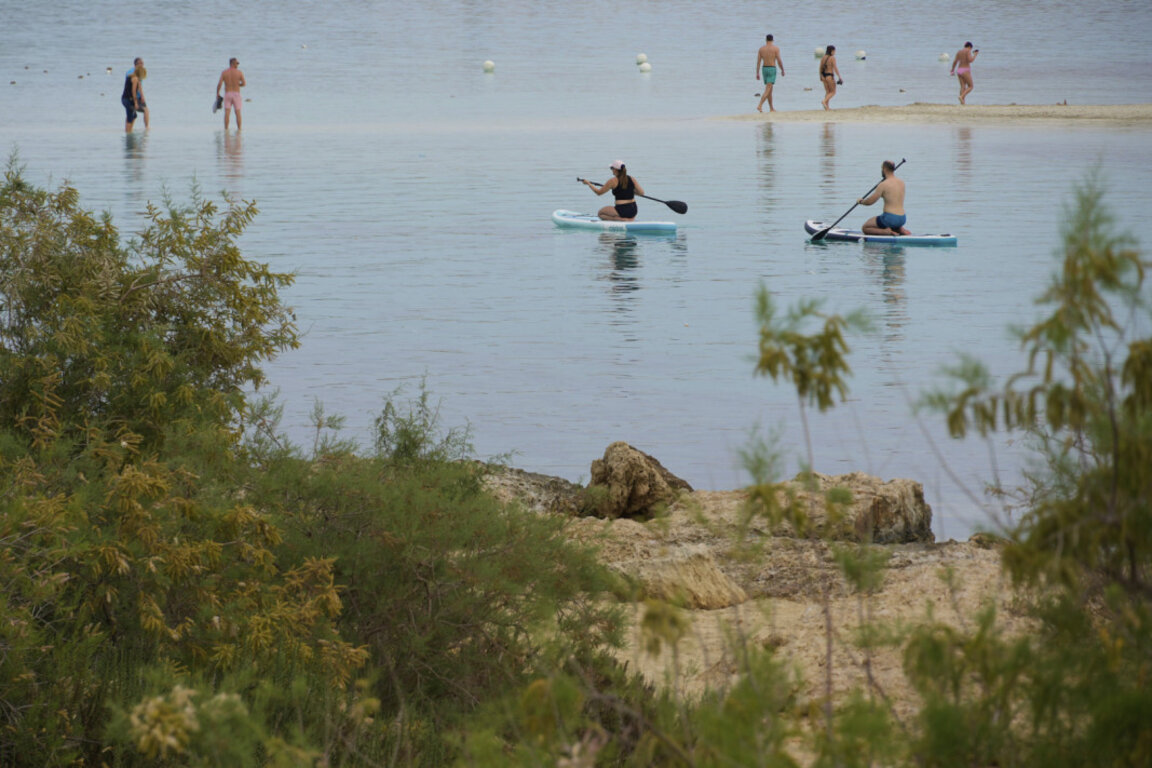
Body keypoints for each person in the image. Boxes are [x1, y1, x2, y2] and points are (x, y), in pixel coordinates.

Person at [859, 160, 910, 236]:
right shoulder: (901, 182)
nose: (881, 171)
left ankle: (887, 232)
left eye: (882, 168)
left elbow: (870, 202)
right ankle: (900, 229)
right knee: (891, 221)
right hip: (902, 218)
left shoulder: (883, 184)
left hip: (889, 219)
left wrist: (861, 201)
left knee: (865, 227)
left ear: (885, 169)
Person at [755, 34, 785, 113]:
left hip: (764, 69)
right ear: (772, 40)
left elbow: (758, 62)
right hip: (772, 69)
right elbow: (779, 60)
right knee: (768, 89)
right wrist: (782, 69)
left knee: (770, 90)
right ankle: (760, 105)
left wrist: (757, 73)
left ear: (766, 40)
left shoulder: (761, 49)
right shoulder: (775, 49)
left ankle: (771, 108)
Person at [216, 57, 246, 130]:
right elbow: (244, 83)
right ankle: (239, 129)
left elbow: (219, 84)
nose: (237, 65)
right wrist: (238, 84)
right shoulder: (239, 72)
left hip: (228, 93)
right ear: (232, 63)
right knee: (238, 112)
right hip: (236, 94)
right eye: (236, 63)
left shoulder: (224, 72)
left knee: (227, 113)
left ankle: (226, 129)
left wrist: (217, 93)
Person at [122, 57, 149, 132]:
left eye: (142, 63)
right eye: (140, 63)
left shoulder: (138, 74)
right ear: (136, 64)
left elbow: (139, 86)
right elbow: (133, 91)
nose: (142, 65)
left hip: (134, 97)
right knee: (131, 116)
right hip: (127, 98)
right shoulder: (132, 75)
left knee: (134, 116)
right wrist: (136, 102)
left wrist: (142, 96)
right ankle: (127, 132)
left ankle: (130, 131)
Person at [819, 45, 842, 110]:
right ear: (831, 51)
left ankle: (827, 107)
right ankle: (824, 101)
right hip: (830, 76)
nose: (835, 52)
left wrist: (820, 77)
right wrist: (839, 77)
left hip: (823, 76)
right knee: (833, 92)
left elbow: (820, 68)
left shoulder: (823, 57)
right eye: (834, 51)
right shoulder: (832, 58)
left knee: (828, 92)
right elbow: (835, 68)